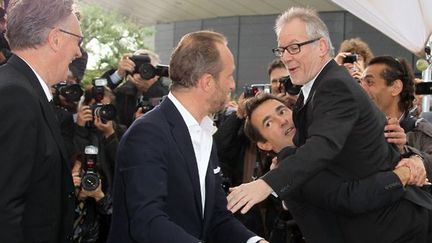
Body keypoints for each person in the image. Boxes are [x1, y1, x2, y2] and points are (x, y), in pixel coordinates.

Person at [227, 7, 432, 243]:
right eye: (282, 49)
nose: (286, 56)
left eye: (294, 47)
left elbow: (323, 145)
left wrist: (266, 183)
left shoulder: (333, 85)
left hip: (398, 228)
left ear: (322, 47)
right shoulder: (312, 91)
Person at [107, 30, 267, 243]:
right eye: (229, 75)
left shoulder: (205, 133)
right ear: (207, 82)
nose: (232, 85)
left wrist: (255, 242)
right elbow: (147, 222)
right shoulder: (147, 133)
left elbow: (216, 216)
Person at [0, 0, 82, 242]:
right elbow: (5, 208)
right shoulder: (15, 96)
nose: (78, 52)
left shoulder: (22, 89)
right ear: (55, 38)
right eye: (78, 40)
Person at [360, 56, 432, 179]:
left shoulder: (420, 130)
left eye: (369, 82)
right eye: (360, 82)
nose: (361, 88)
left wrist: (406, 153)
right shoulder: (355, 126)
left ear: (396, 87)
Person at [102, 49, 169, 127]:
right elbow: (97, 95)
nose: (143, 72)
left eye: (148, 68)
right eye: (138, 66)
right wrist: (118, 75)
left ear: (157, 73)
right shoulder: (123, 93)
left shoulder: (169, 93)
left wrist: (151, 89)